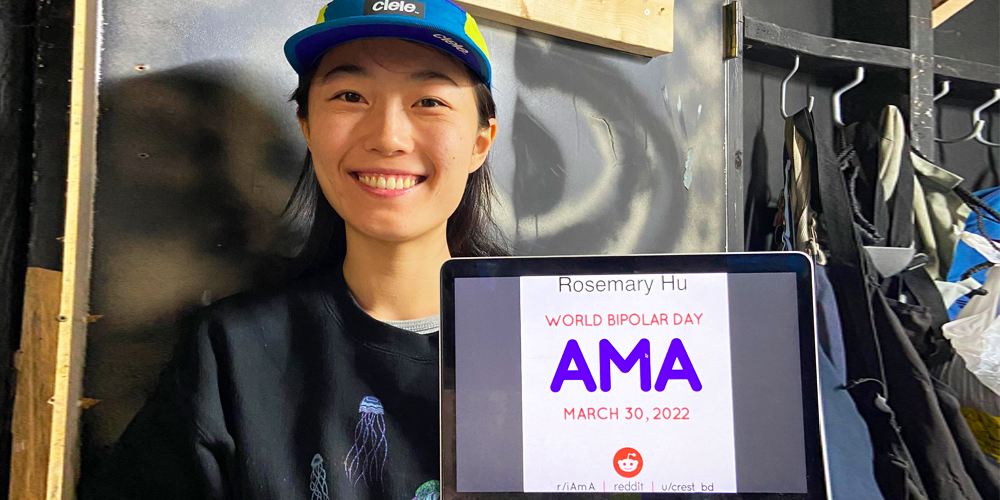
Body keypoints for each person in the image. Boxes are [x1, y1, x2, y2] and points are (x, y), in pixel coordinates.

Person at [82, 1, 506, 498]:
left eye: (429, 101)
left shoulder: (565, 341)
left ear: (481, 142)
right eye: (351, 95)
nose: (389, 136)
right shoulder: (235, 351)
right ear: (307, 128)